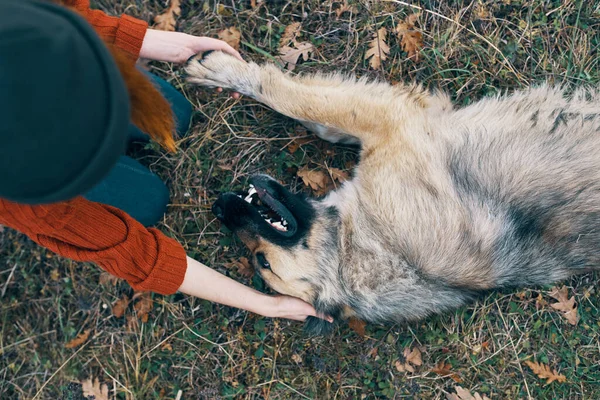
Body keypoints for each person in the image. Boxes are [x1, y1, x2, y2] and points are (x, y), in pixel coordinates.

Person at [0, 0, 330, 323]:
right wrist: (264, 304)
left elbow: (68, 14)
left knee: (175, 114)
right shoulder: (26, 204)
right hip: (31, 147)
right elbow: (136, 254)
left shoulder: (26, 24)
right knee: (148, 201)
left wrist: (168, 43)